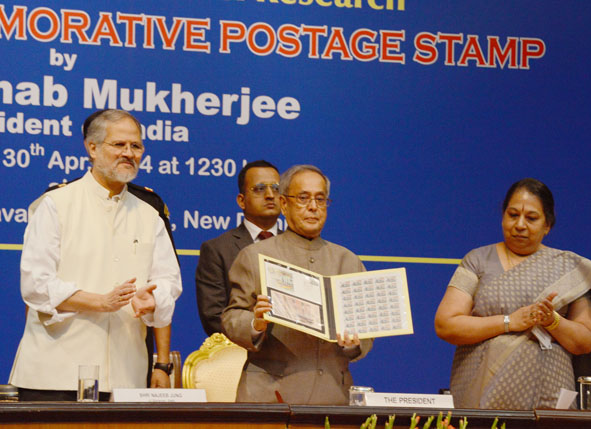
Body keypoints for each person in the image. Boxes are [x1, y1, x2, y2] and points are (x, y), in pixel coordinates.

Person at [9, 109, 182, 401]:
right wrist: (99, 301)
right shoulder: (56, 204)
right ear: (92, 148)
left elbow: (169, 282)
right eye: (119, 145)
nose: (129, 153)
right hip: (54, 374)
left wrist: (154, 299)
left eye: (136, 146)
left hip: (125, 376)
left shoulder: (149, 214)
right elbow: (36, 284)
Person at [434, 178, 591, 409]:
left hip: (548, 403)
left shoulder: (570, 269)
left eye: (531, 218)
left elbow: (585, 341)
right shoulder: (477, 260)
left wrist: (553, 321)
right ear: (503, 217)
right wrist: (510, 321)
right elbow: (446, 324)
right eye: (513, 215)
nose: (520, 225)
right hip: (481, 399)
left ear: (547, 225)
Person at [222, 164, 373, 405]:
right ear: (284, 204)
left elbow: (366, 331)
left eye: (320, 199)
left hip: (333, 396)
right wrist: (256, 323)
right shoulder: (255, 256)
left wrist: (354, 343)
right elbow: (231, 317)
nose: (313, 207)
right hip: (271, 397)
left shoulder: (348, 261)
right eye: (303, 198)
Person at [196, 160, 281, 336]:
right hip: (241, 352)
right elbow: (214, 317)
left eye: (276, 188)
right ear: (241, 201)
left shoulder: (297, 246)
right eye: (259, 188)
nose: (270, 195)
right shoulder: (217, 249)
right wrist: (255, 332)